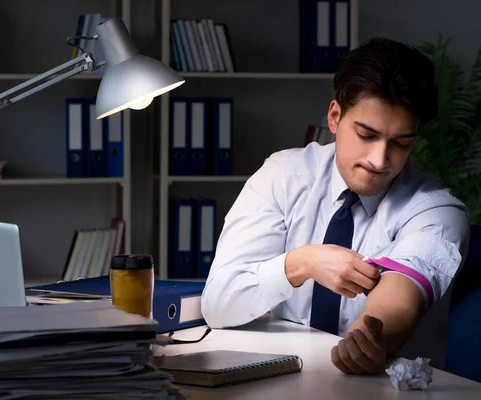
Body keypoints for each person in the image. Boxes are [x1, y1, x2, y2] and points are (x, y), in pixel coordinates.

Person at [200, 37, 470, 375]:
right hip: (284, 379)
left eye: (400, 143)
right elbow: (219, 305)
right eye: (366, 134)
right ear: (334, 116)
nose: (379, 160)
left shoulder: (437, 212)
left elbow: (401, 294)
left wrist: (369, 334)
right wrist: (300, 263)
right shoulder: (283, 176)